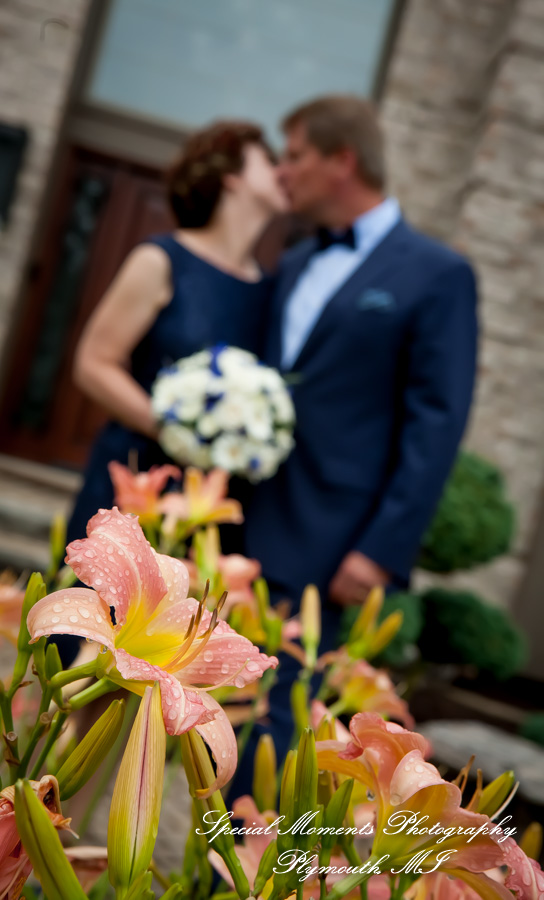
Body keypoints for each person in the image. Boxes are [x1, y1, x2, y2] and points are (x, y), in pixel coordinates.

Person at [230, 94, 478, 797]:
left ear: (343, 160)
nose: (284, 172)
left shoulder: (437, 274)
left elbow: (437, 421)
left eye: (297, 155)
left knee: (285, 732)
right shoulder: (295, 258)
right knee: (223, 721)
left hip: (336, 550)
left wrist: (381, 550)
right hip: (249, 531)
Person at [57, 121, 287, 665]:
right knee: (87, 650)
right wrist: (174, 430)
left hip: (209, 511)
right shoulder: (161, 260)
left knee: (163, 667)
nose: (281, 172)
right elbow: (94, 363)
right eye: (266, 160)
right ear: (231, 176)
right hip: (135, 485)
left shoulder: (271, 290)